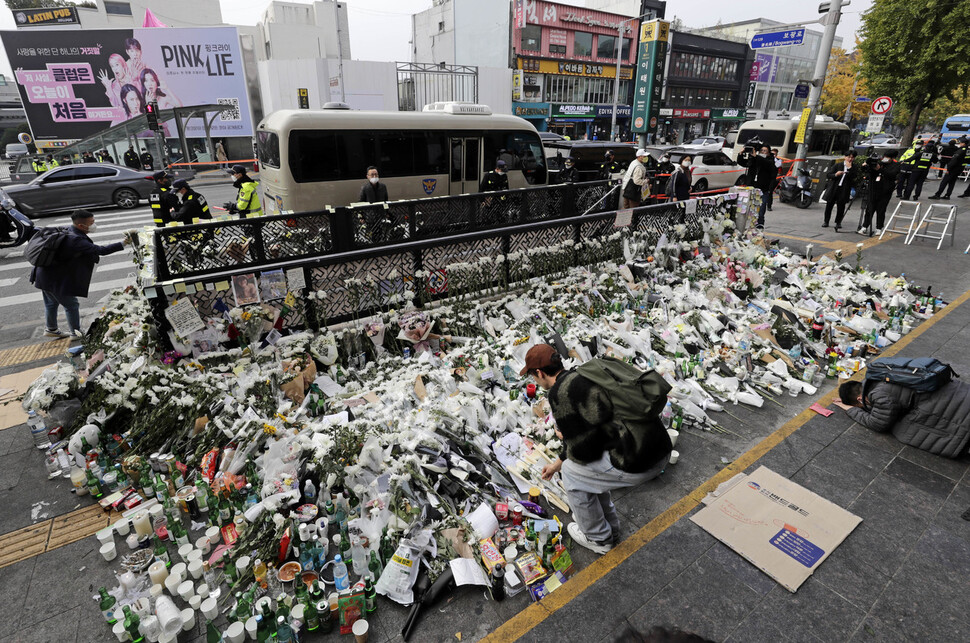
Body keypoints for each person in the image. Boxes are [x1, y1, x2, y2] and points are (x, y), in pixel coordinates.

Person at [523, 344, 669, 554]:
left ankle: (599, 539)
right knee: (580, 470)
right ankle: (610, 528)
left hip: (640, 459)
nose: (535, 382)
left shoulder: (559, 393)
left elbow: (585, 452)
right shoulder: (584, 374)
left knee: (573, 472)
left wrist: (566, 438)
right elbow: (598, 428)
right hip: (658, 444)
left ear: (539, 372)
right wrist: (557, 462)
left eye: (533, 377)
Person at [30, 209, 129, 338]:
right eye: (92, 222)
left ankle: (51, 329)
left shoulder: (67, 229)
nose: (94, 224)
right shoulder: (75, 240)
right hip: (55, 279)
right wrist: (124, 243)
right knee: (71, 305)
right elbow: (101, 250)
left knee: (51, 303)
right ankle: (75, 333)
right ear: (81, 225)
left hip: (43, 275)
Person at [834, 377, 970, 458]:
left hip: (959, 412)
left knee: (903, 429)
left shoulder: (878, 395)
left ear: (859, 399)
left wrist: (851, 409)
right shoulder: (878, 378)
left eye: (860, 405)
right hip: (959, 393)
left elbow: (877, 423)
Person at [859, 150, 899, 235]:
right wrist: (865, 165)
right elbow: (867, 171)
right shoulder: (878, 163)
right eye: (885, 157)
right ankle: (864, 227)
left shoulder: (896, 165)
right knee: (869, 209)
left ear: (893, 158)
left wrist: (880, 169)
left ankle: (879, 228)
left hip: (885, 191)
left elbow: (892, 175)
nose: (885, 159)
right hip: (873, 189)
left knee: (881, 210)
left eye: (887, 157)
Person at [737, 144, 776, 229]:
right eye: (761, 150)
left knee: (760, 211)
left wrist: (770, 190)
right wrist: (741, 154)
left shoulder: (770, 161)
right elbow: (744, 163)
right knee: (748, 210)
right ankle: (748, 229)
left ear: (769, 153)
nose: (762, 152)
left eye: (765, 151)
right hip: (752, 188)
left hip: (763, 190)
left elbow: (768, 165)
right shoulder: (755, 159)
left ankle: (759, 229)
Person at [821, 151, 857, 230]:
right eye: (849, 157)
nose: (850, 159)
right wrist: (836, 174)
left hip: (844, 189)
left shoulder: (854, 167)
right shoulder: (838, 165)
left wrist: (850, 168)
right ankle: (826, 221)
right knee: (829, 205)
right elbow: (828, 174)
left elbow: (854, 177)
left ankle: (838, 222)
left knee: (841, 206)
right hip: (834, 188)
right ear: (845, 157)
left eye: (852, 157)